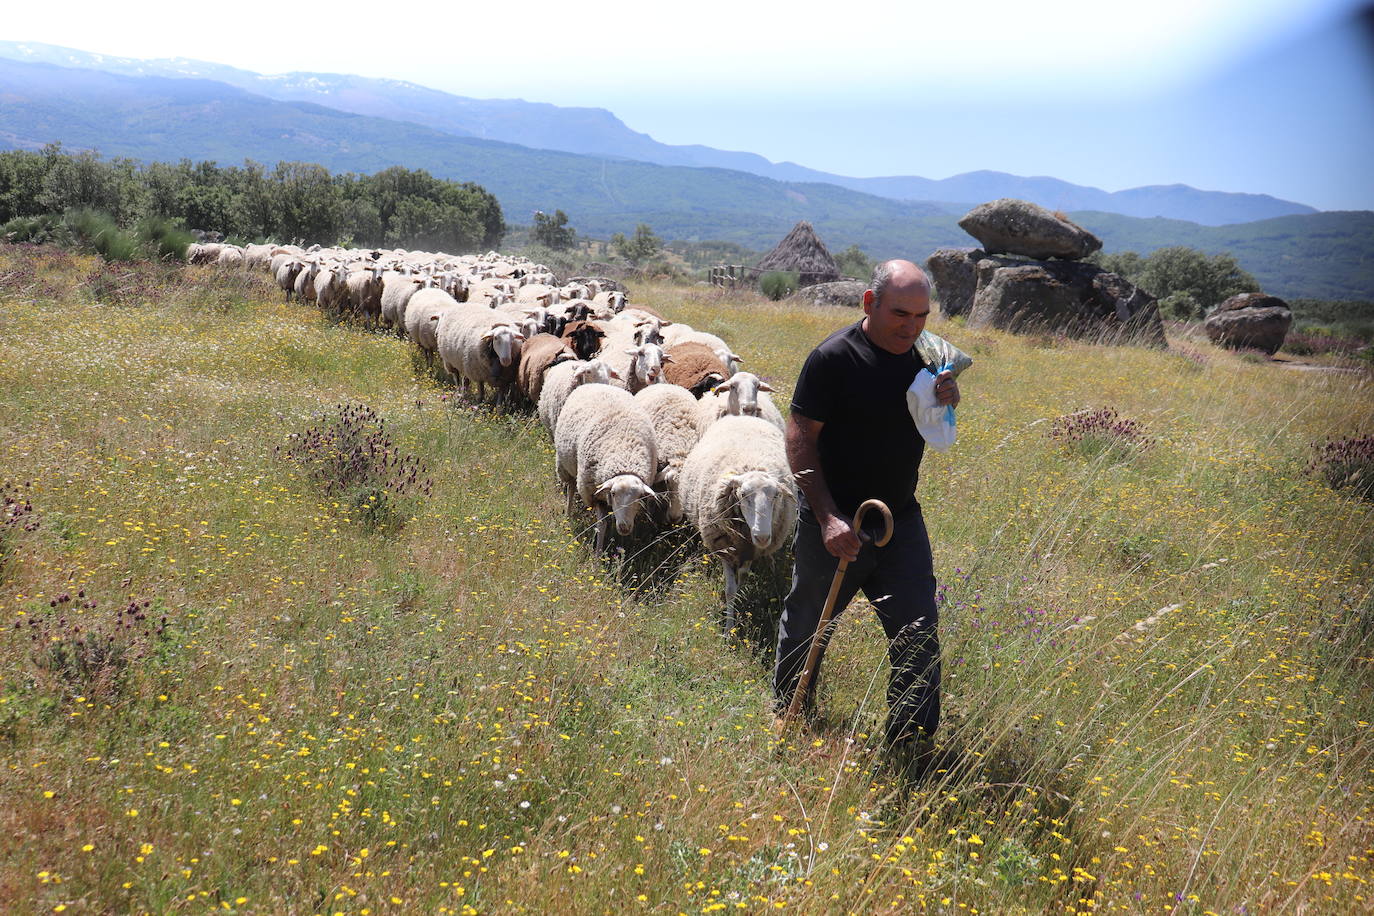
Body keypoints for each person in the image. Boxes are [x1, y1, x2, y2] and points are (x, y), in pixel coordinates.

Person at [774, 259, 959, 750]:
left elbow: (936, 419)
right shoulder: (832, 358)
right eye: (901, 313)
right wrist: (828, 516)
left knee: (918, 632)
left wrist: (948, 397)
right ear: (869, 303)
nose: (912, 326)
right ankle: (790, 720)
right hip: (833, 518)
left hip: (898, 519)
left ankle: (910, 745)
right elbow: (800, 438)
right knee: (808, 625)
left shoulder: (928, 354)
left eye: (922, 316)